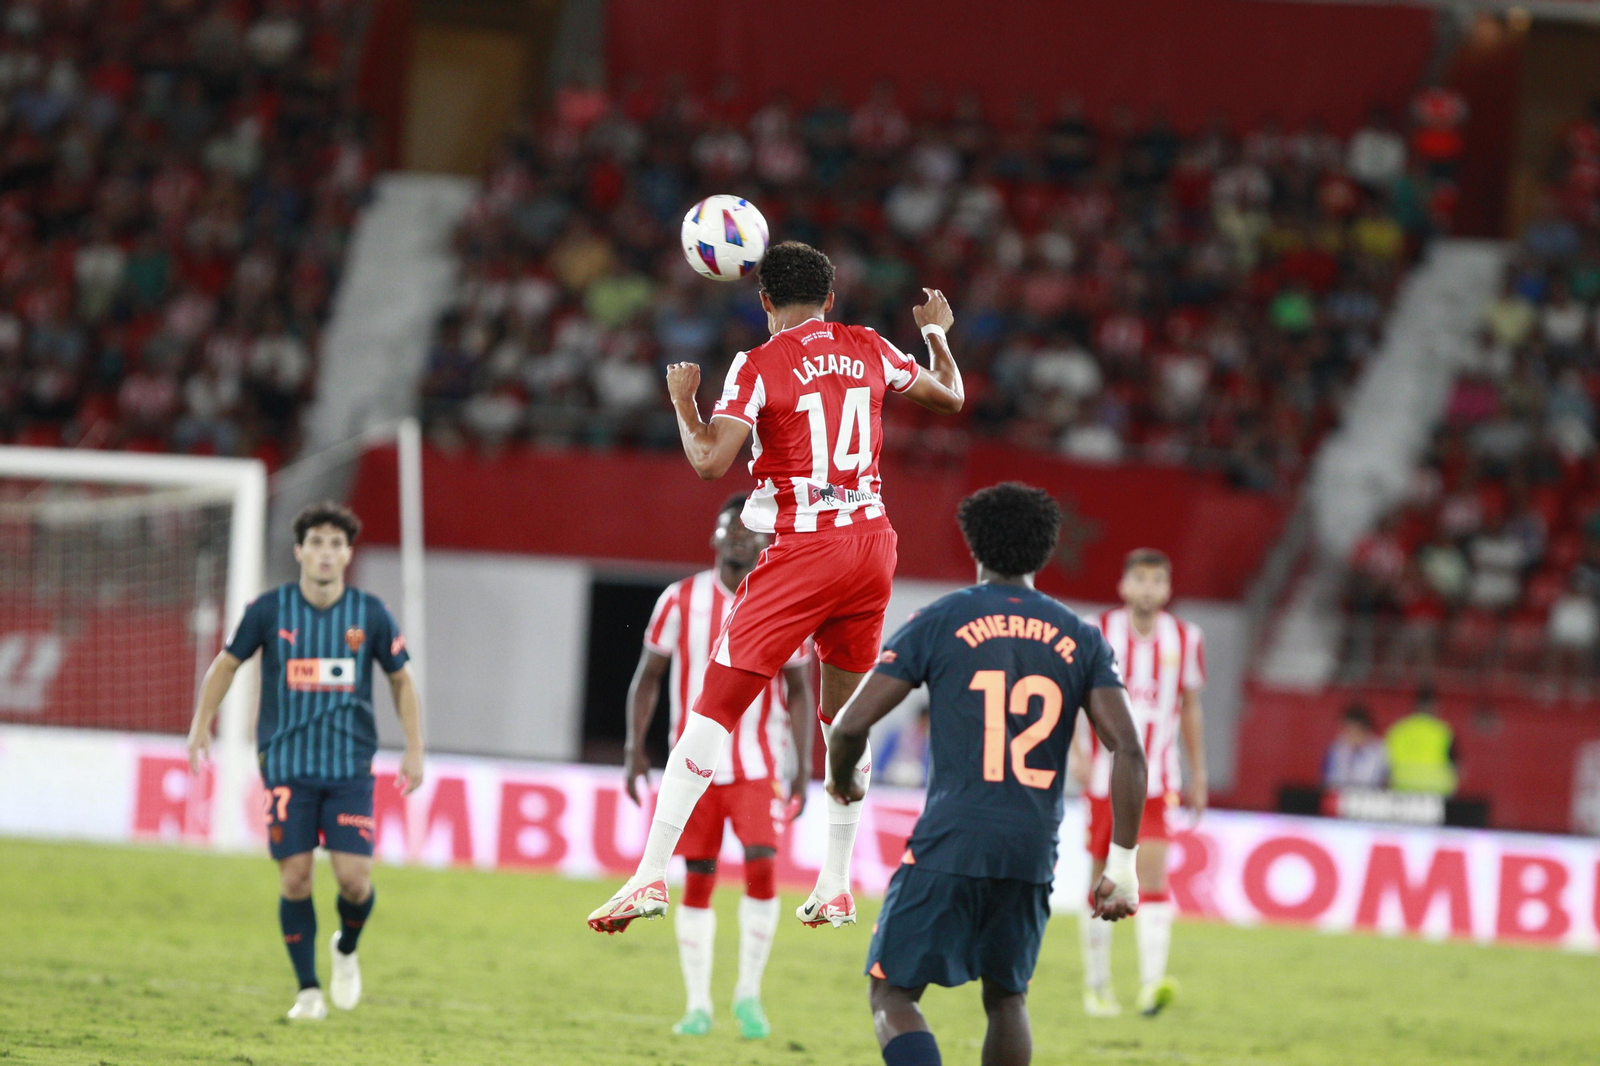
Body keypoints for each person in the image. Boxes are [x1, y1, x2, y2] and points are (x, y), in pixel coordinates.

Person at [589, 241, 965, 934]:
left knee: (709, 713)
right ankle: (836, 882)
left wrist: (683, 403)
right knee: (843, 725)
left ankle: (647, 876)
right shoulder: (872, 345)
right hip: (874, 546)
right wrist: (937, 332)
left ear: (763, 301)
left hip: (804, 550)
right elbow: (953, 396)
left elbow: (709, 462)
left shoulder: (757, 365)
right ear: (830, 298)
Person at [824, 482, 1146, 1066]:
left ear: (974, 544)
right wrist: (1121, 864)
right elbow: (1128, 748)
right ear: (1044, 552)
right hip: (1030, 847)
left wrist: (843, 778)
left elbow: (849, 725)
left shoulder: (943, 619)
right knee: (1006, 997)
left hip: (952, 835)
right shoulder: (1082, 637)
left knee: (892, 991)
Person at [186, 502, 424, 1021]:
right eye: (316, 542)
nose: (325, 552)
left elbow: (401, 680)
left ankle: (345, 947)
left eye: (335, 544)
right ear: (300, 550)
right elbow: (227, 665)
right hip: (287, 765)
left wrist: (414, 747)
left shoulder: (371, 614)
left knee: (354, 882)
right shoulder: (268, 611)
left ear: (347, 554)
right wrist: (202, 721)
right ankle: (308, 991)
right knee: (294, 879)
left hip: (348, 771)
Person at [623, 494, 815, 1039]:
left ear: (764, 541)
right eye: (728, 527)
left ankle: (749, 996)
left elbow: (799, 691)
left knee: (761, 864)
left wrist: (803, 762)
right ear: (714, 537)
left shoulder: (783, 603)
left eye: (748, 529)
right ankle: (698, 1004)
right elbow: (649, 678)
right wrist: (634, 748)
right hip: (694, 770)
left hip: (757, 765)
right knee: (698, 880)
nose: (738, 536)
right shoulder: (678, 600)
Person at [1070, 548, 1205, 1018]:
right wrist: (1076, 752)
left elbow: (1189, 707)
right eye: (1140, 580)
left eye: (1157, 581)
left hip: (1159, 779)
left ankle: (1150, 986)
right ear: (1124, 586)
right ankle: (1098, 986)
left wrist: (1198, 773)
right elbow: (1073, 694)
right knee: (1102, 881)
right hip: (1105, 781)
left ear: (1167, 590)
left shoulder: (1186, 638)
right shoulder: (1095, 631)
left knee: (1152, 877)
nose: (1148, 589)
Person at [1385, 689, 1459, 796]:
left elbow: (1385, 763)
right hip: (1436, 790)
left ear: (1415, 706)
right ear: (1436, 706)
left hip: (1402, 788)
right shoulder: (1443, 731)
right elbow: (1456, 766)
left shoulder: (1398, 730)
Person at [1322, 705, 1389, 790]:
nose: (1349, 734)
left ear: (1364, 729)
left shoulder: (1381, 750)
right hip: (1339, 797)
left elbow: (1385, 782)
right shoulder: (1336, 749)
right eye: (1346, 730)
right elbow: (1327, 780)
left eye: (1353, 730)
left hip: (1370, 798)